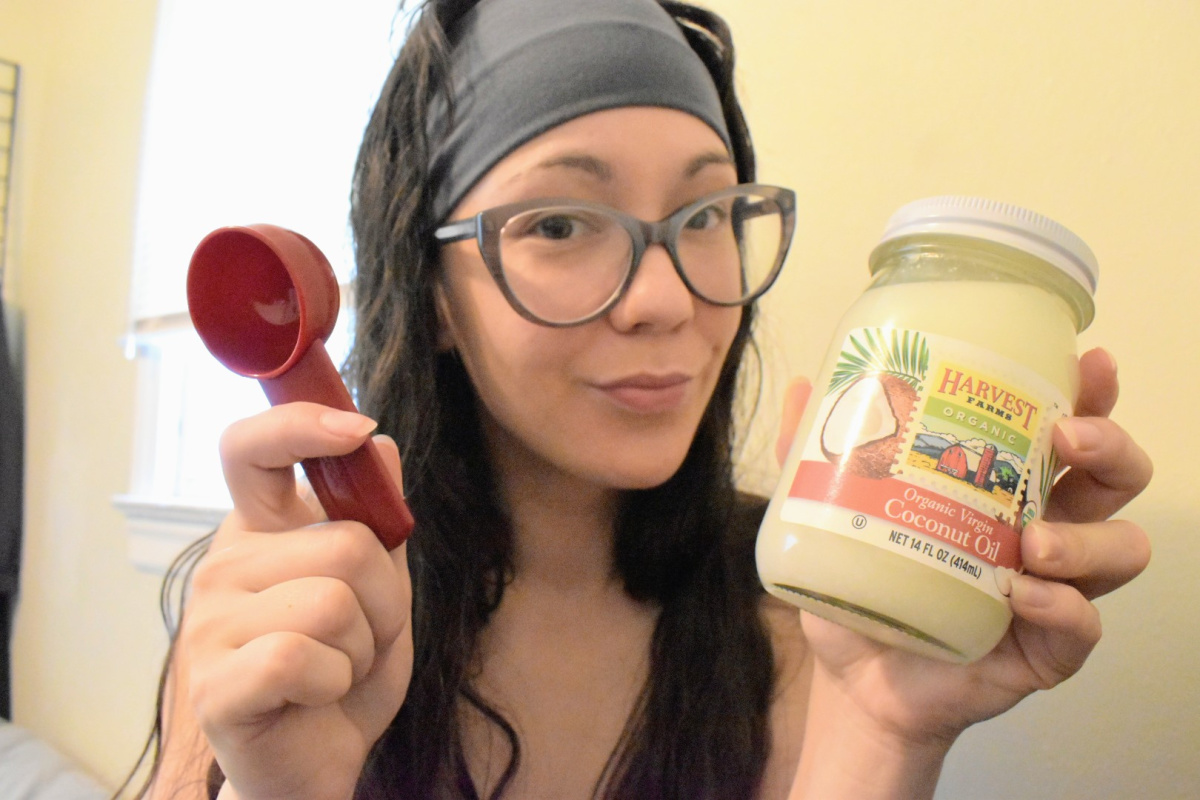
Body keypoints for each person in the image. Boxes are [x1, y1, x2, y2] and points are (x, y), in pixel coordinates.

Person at [131, 0, 1153, 797]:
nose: (667, 299)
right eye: (562, 226)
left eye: (706, 212)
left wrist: (883, 727)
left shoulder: (795, 621)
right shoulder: (296, 615)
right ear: (432, 292)